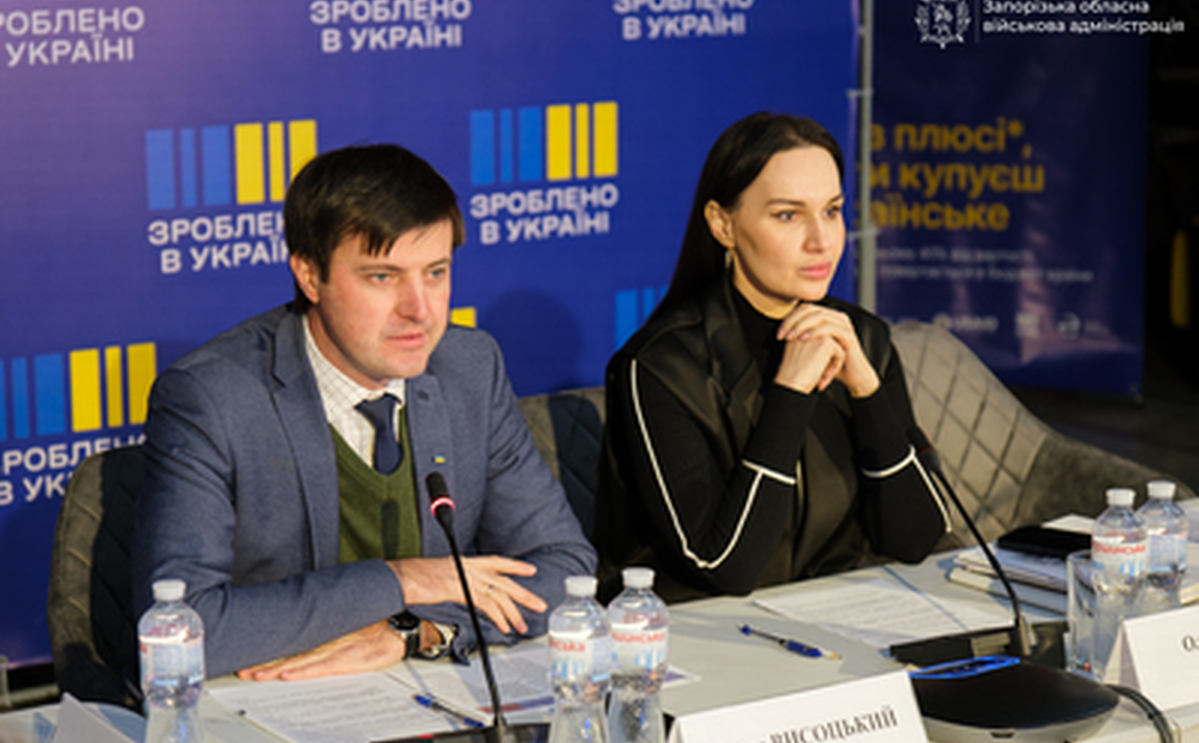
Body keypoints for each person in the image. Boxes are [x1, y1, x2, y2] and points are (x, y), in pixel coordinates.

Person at [132, 144, 596, 681]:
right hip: (265, 704)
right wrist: (403, 580)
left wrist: (414, 629)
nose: (419, 310)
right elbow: (180, 628)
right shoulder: (212, 398)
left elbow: (563, 570)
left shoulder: (469, 368)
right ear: (310, 276)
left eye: (436, 273)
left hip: (422, 692)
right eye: (383, 277)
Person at [596, 113, 950, 603]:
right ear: (723, 224)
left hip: (832, 619)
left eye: (832, 210)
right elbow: (723, 567)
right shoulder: (658, 368)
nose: (821, 241)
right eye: (788, 215)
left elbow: (916, 541)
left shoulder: (862, 339)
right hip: (696, 629)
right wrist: (788, 394)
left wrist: (868, 393)